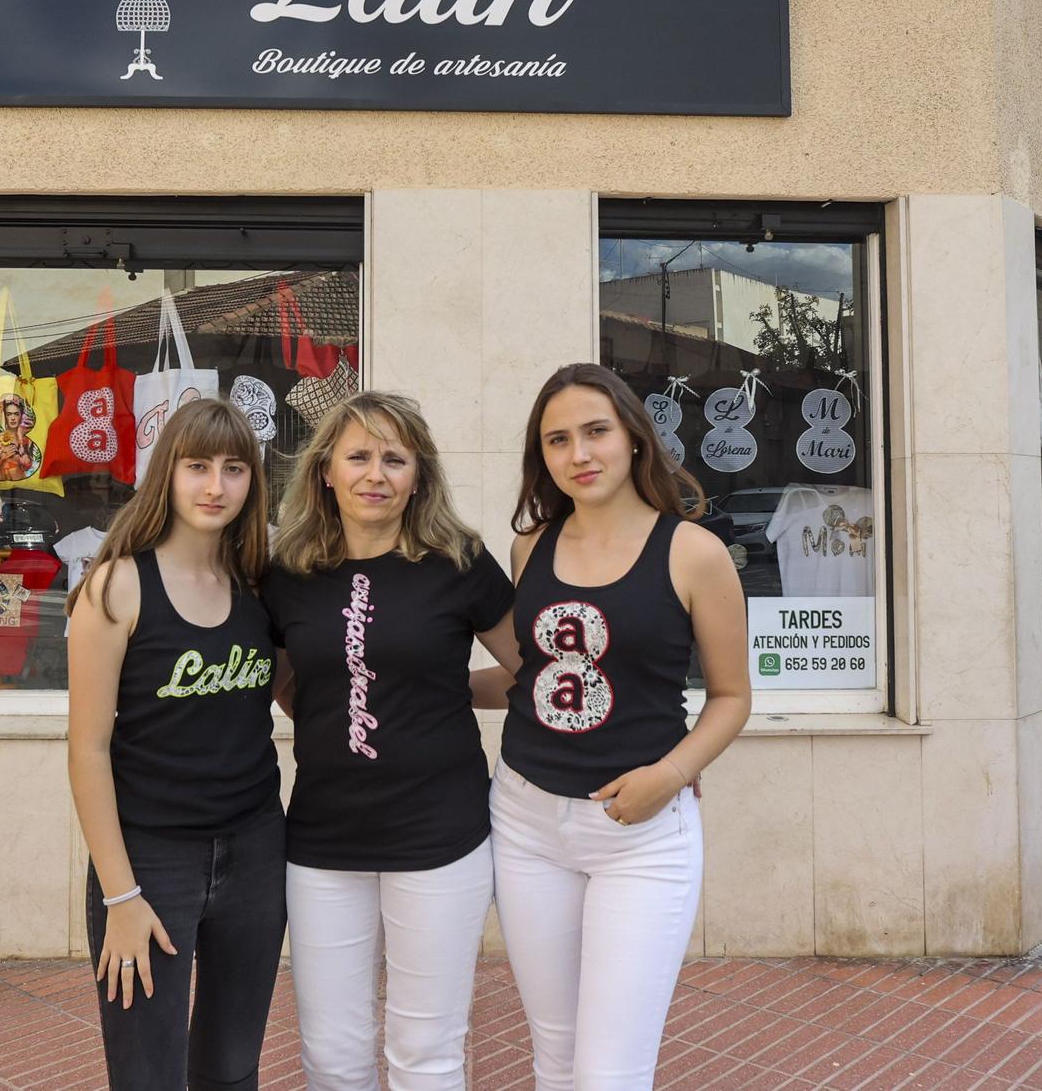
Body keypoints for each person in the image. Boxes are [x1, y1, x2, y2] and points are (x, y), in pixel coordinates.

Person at [492, 363, 751, 1090]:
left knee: (610, 1073)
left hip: (640, 833)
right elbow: (535, 677)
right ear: (540, 457)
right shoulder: (529, 548)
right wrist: (414, 683)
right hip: (524, 823)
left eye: (596, 431)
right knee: (555, 1056)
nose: (579, 454)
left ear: (635, 438)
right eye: (557, 440)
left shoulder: (692, 552)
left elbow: (731, 697)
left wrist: (669, 776)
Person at [262, 391, 524, 1091]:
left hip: (440, 839)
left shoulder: (458, 561)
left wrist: (448, 690)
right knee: (331, 1051)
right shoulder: (287, 573)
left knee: (427, 1052)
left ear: (418, 475)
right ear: (325, 471)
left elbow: (533, 673)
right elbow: (290, 687)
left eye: (394, 458)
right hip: (322, 843)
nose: (375, 473)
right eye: (358, 456)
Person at [66, 397, 284, 1091]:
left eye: (232, 468)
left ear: (253, 480)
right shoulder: (118, 586)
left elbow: (305, 701)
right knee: (148, 1074)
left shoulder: (260, 584)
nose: (215, 486)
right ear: (168, 474)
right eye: (197, 467)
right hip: (150, 862)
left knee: (230, 1068)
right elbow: (87, 749)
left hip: (255, 852)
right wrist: (120, 896)